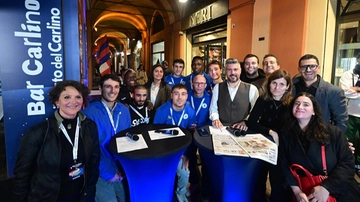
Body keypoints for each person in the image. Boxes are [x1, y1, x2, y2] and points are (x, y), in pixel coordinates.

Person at [12, 80, 100, 202]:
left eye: (78, 97)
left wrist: (89, 191)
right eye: (67, 97)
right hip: (49, 198)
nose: (73, 101)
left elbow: (94, 162)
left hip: (81, 196)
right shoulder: (38, 133)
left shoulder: (90, 126)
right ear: (57, 102)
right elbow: (22, 175)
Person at [279, 92, 356, 202]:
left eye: (306, 104)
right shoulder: (286, 135)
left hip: (337, 192)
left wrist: (326, 188)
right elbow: (284, 166)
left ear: (314, 111)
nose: (300, 107)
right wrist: (297, 191)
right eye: (297, 103)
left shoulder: (333, 133)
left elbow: (347, 164)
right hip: (303, 193)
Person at [82, 74, 131, 202]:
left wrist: (126, 167)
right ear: (100, 88)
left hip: (121, 168)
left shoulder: (124, 111)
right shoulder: (88, 113)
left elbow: (127, 140)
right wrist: (107, 172)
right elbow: (89, 150)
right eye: (108, 87)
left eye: (116, 87)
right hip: (100, 170)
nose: (112, 91)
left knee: (130, 198)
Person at [247, 70, 293, 202]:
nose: (277, 88)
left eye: (281, 84)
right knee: (259, 178)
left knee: (277, 181)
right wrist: (270, 131)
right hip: (263, 142)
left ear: (287, 87)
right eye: (274, 83)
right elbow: (251, 122)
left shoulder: (291, 103)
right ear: (269, 84)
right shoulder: (263, 99)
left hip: (282, 147)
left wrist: (279, 135)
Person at [153, 84, 196, 202]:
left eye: (183, 94)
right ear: (171, 95)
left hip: (181, 150)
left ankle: (180, 193)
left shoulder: (191, 112)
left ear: (187, 96)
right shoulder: (162, 111)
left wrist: (185, 154)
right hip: (164, 149)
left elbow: (190, 136)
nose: (179, 97)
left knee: (184, 172)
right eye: (176, 93)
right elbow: (155, 135)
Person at [293, 54, 348, 133]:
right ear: (299, 69)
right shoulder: (291, 87)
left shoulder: (333, 91)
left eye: (312, 66)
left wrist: (335, 141)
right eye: (304, 67)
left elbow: (341, 122)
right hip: (293, 136)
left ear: (318, 68)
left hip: (320, 137)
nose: (308, 70)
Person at [209, 58, 259, 130]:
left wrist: (246, 121)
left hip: (242, 129)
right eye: (229, 70)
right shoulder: (217, 87)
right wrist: (215, 119)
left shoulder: (252, 89)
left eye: (235, 69)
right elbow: (213, 108)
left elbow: (255, 112)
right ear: (225, 71)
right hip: (221, 129)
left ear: (240, 71)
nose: (232, 73)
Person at [340, 53, 360, 176]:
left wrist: (355, 89)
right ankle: (347, 164)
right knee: (348, 141)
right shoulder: (348, 74)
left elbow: (350, 91)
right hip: (350, 113)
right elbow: (345, 92)